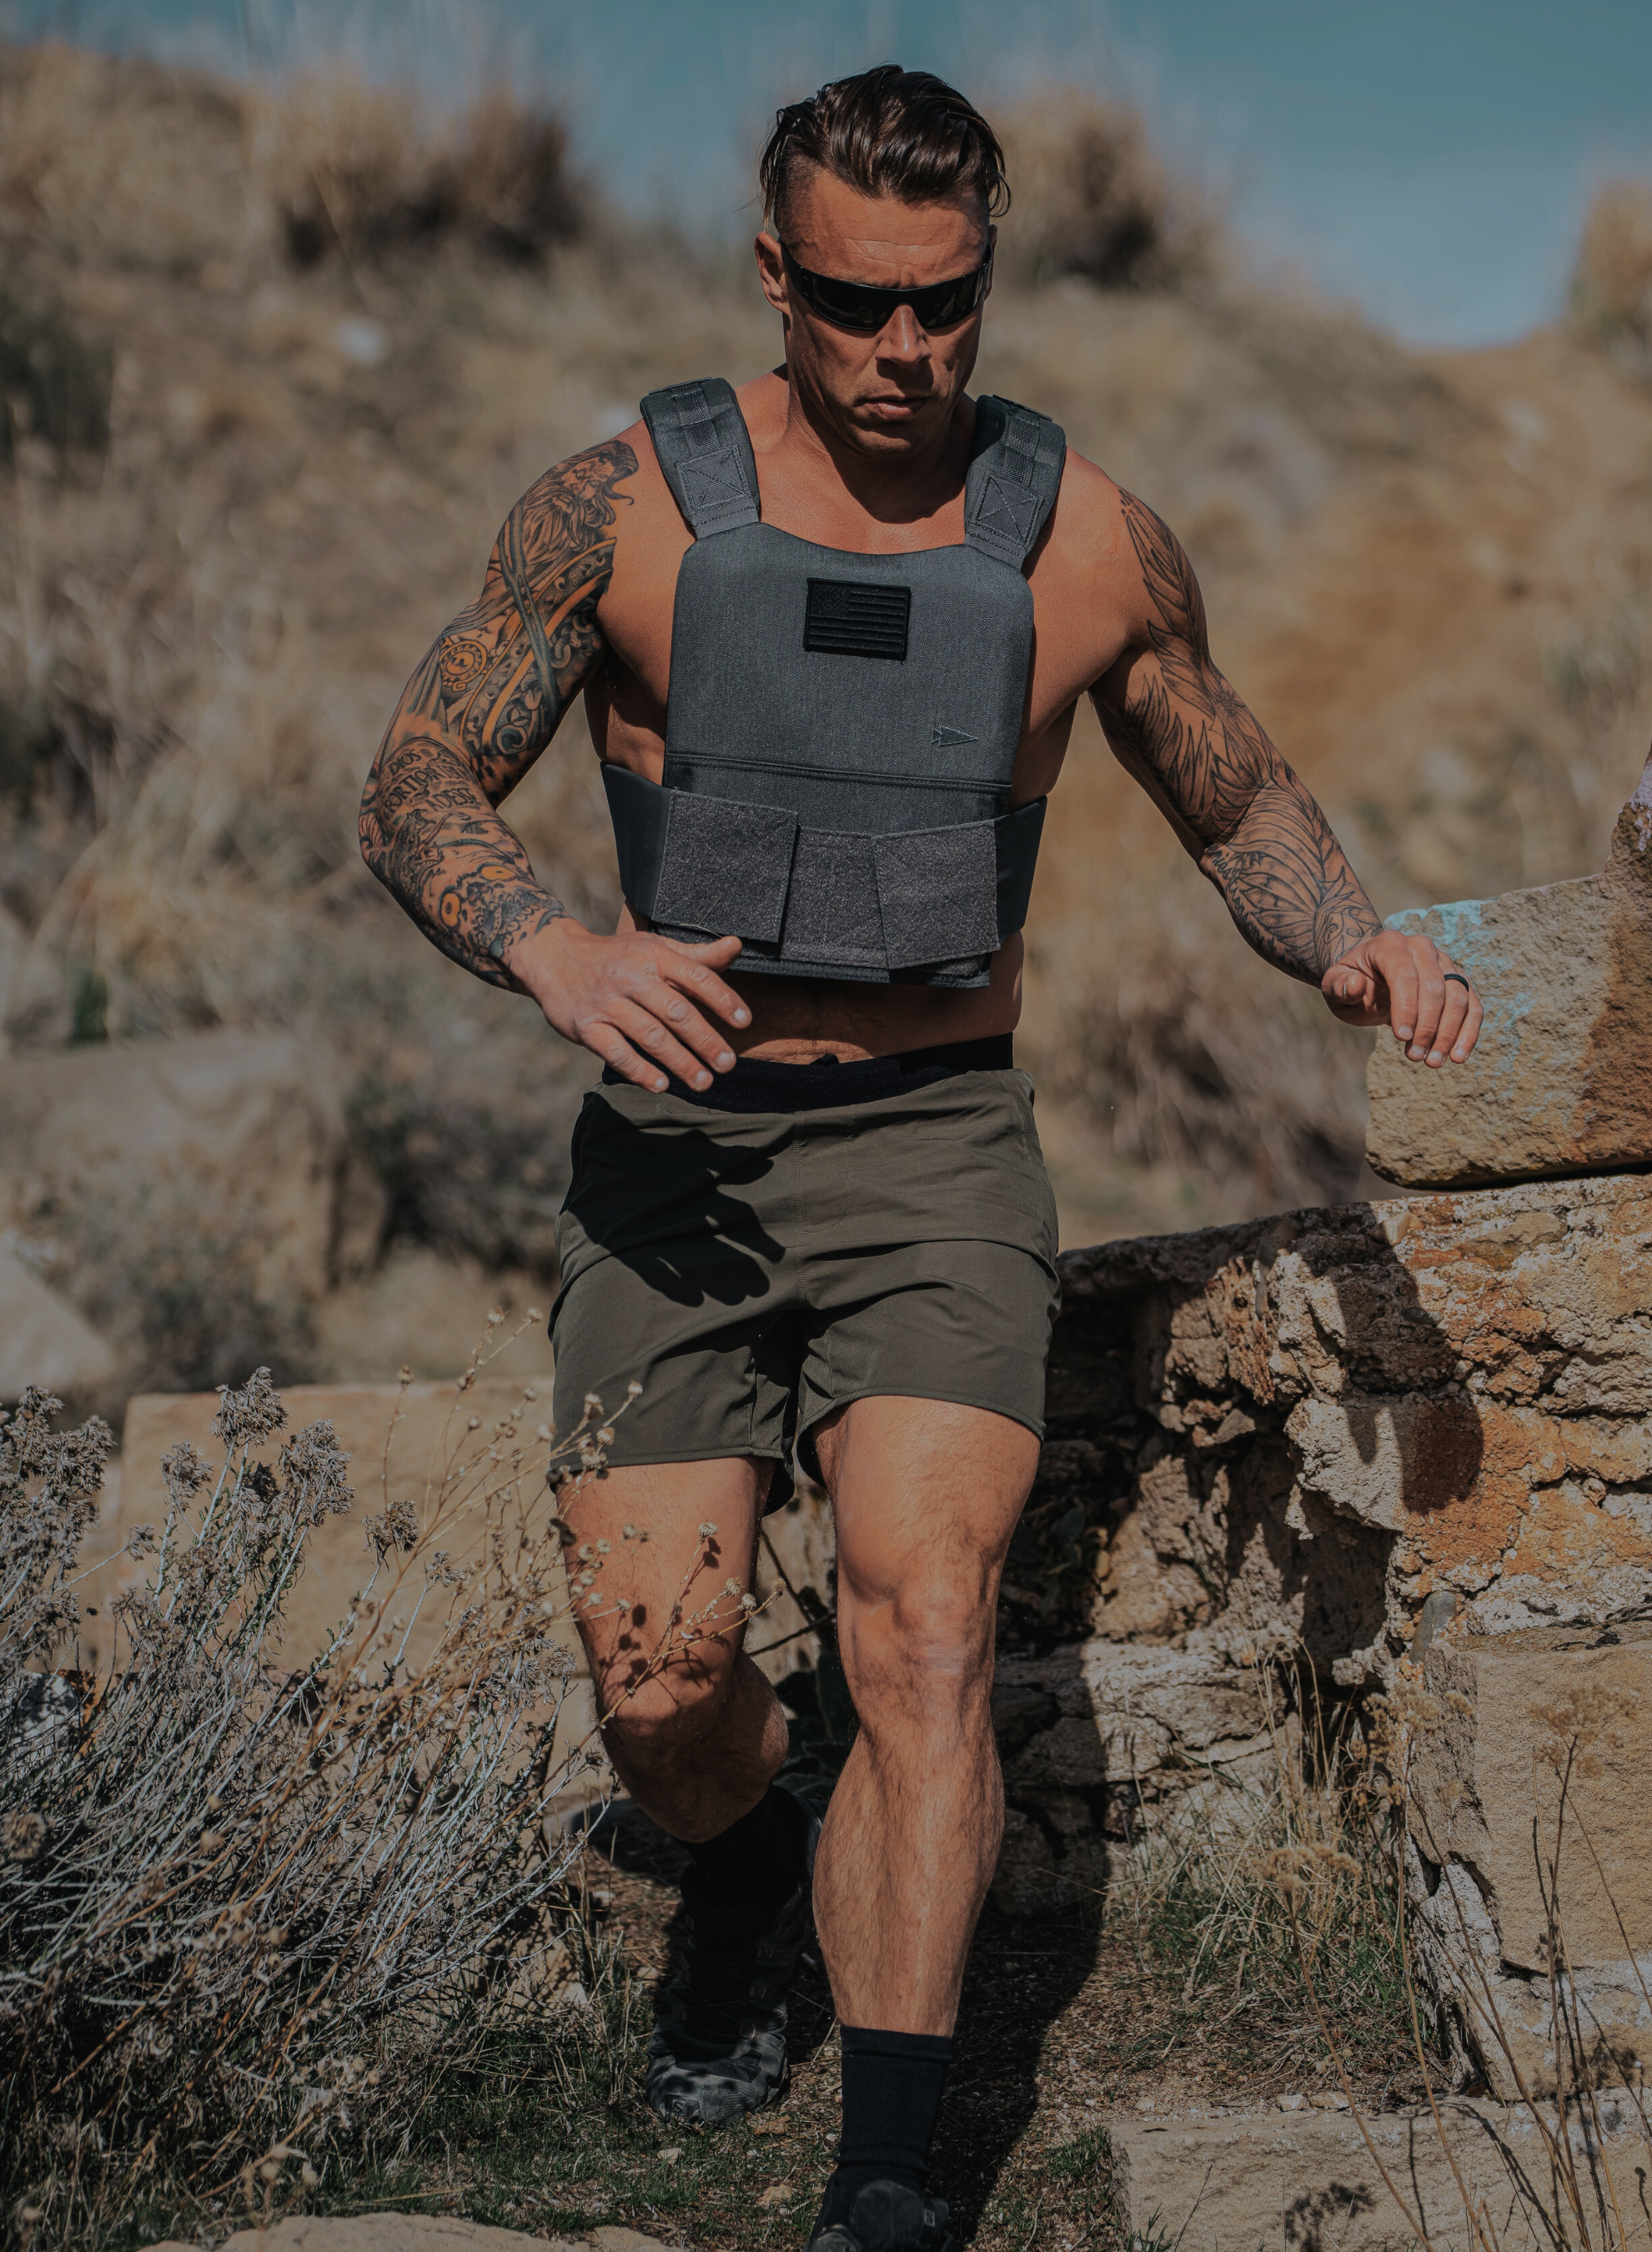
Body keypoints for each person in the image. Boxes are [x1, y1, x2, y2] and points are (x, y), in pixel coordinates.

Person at [359, 63, 1482, 2252]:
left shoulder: (1082, 542)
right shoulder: (624, 512)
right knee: (663, 1675)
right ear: (776, 275)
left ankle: (887, 2169)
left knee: (930, 1625)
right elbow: (416, 773)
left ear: (988, 275)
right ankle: (755, 1849)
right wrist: (556, 947)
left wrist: (1355, 942)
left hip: (939, 1149)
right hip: (672, 1151)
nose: (907, 354)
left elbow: (1236, 799)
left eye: (948, 304)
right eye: (861, 305)